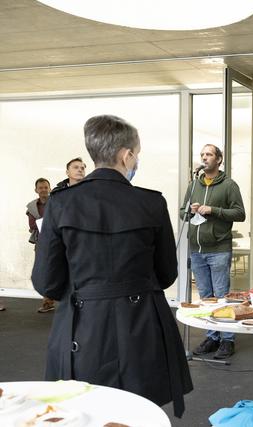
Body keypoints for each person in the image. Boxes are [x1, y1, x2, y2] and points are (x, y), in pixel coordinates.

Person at [32, 115, 193, 417]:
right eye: (137, 154)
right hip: (142, 326)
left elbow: (46, 282)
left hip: (82, 328)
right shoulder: (152, 203)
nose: (136, 160)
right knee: (137, 412)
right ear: (126, 155)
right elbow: (167, 273)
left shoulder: (61, 202)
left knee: (83, 413)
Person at [181, 144, 245, 359]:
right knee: (206, 296)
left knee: (221, 296)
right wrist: (190, 211)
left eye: (209, 154)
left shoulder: (229, 185)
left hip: (218, 249)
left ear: (219, 160)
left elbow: (240, 213)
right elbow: (182, 213)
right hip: (197, 250)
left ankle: (227, 340)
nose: (204, 158)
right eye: (202, 155)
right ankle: (212, 336)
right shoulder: (193, 185)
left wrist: (213, 210)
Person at [27, 177, 55, 313]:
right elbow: (32, 225)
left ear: (50, 188)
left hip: (59, 241)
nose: (43, 190)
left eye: (45, 187)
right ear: (36, 190)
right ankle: (48, 301)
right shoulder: (32, 208)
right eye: (40, 187)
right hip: (41, 243)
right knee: (44, 271)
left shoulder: (57, 202)